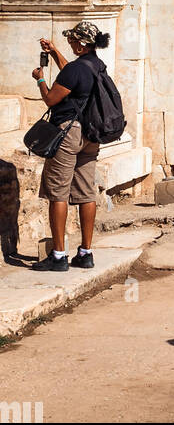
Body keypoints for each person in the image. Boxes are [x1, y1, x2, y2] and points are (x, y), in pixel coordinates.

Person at [30, 21, 110, 272]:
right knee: (87, 193)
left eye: (73, 41)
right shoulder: (96, 65)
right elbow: (72, 74)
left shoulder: (77, 69)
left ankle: (58, 256)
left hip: (68, 133)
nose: (71, 43)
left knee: (58, 192)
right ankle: (85, 253)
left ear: (82, 44)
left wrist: (40, 79)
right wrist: (54, 52)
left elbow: (51, 98)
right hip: (91, 135)